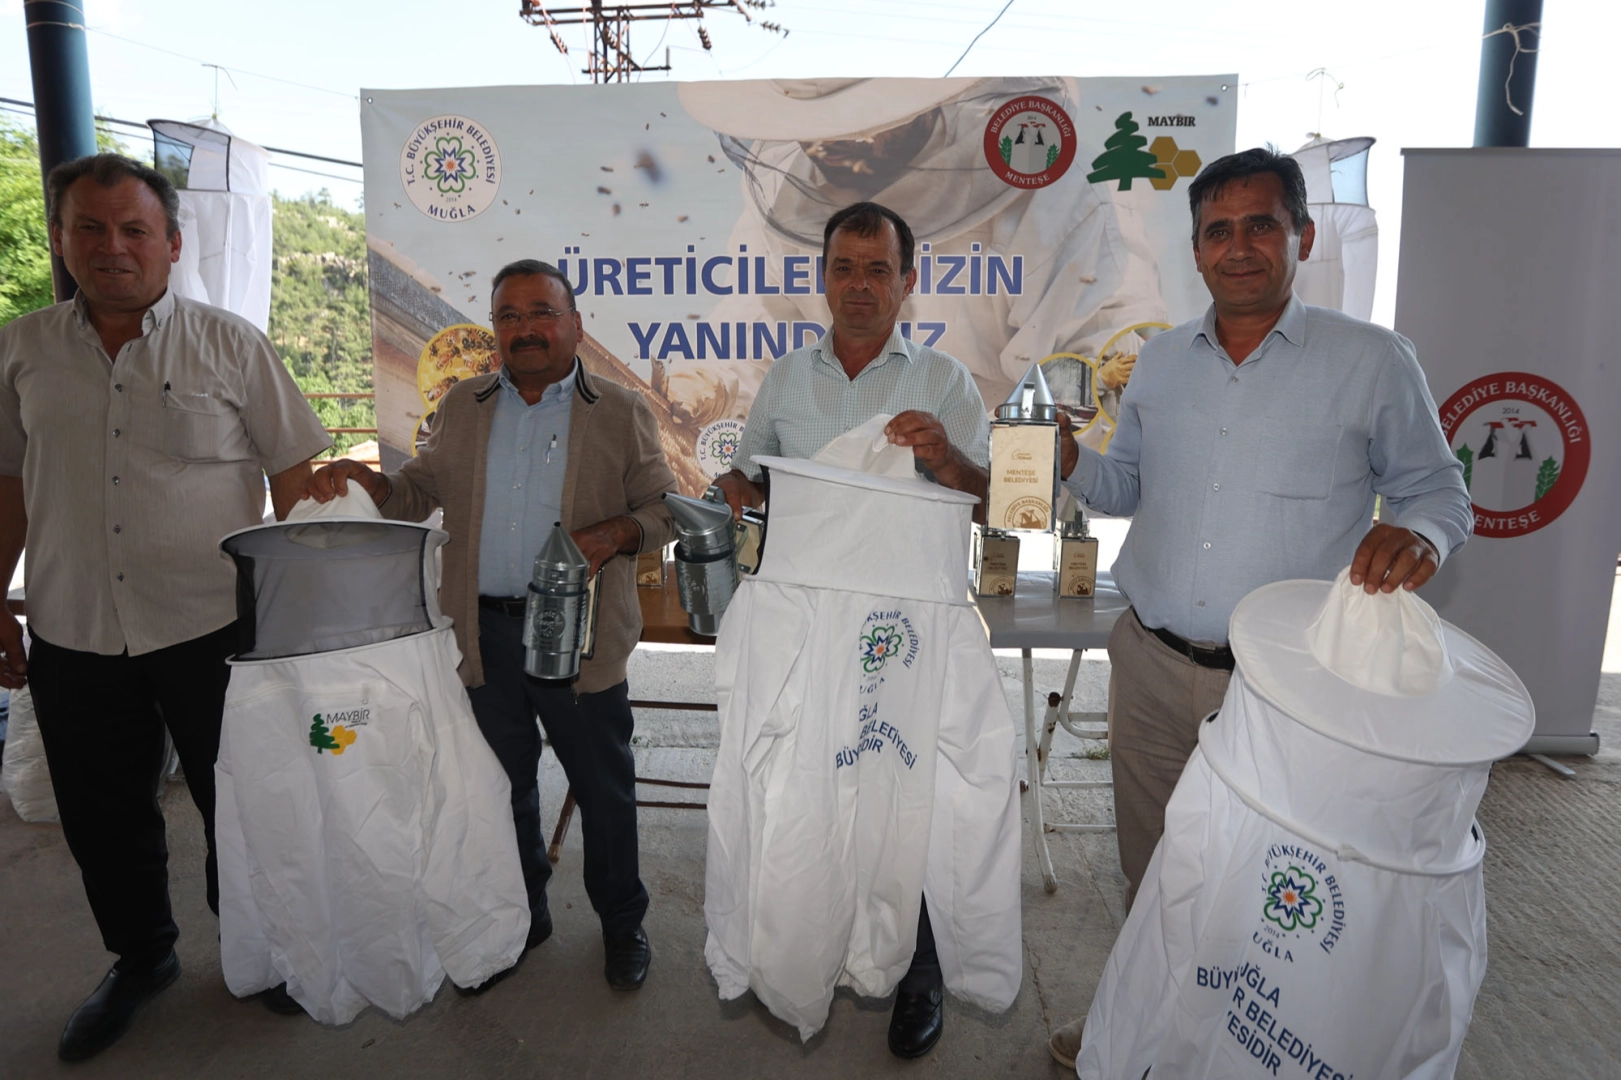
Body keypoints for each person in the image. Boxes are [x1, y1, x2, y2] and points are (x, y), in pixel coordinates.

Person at [1043, 147, 1473, 1069]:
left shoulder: (1372, 360)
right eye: (1217, 231)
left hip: (1285, 689)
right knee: (1154, 868)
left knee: (1268, 885)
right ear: (1196, 249)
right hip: (1151, 665)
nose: (1237, 247)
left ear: (1301, 237)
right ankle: (1139, 1027)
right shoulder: (1160, 362)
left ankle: (1241, 1048)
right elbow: (1124, 488)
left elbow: (1438, 489)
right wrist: (1068, 459)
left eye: (1260, 225)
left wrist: (1421, 536)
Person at [0, 154, 331, 1062]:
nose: (112, 247)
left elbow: (295, 482)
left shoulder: (232, 345)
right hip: (71, 628)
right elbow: (8, 484)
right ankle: (142, 959)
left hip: (213, 627)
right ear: (61, 239)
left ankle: (260, 953)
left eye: (134, 229)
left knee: (246, 805)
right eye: (90, 228)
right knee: (102, 815)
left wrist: (304, 620)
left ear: (173, 244)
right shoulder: (20, 349)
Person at [304, 258, 676, 994]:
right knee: (499, 786)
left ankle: (621, 923)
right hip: (483, 636)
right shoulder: (463, 404)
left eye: (541, 313)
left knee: (603, 789)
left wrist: (615, 533)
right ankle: (521, 914)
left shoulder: (620, 410)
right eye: (509, 316)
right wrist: (371, 484)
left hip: (579, 639)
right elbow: (416, 493)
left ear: (575, 325)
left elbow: (665, 511)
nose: (525, 328)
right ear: (494, 329)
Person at [711, 201, 990, 1060]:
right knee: (812, 790)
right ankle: (815, 942)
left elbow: (992, 501)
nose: (859, 285)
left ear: (908, 281)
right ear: (821, 277)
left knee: (911, 798)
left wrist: (944, 459)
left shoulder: (946, 382)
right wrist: (735, 491)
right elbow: (754, 481)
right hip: (809, 632)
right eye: (843, 268)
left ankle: (920, 975)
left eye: (878, 269)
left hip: (907, 636)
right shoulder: (786, 380)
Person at [672, 76, 1168, 449]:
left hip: (991, 495)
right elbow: (756, 340)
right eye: (816, 129)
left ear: (916, 103)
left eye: (857, 128)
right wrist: (712, 388)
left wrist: (974, 457)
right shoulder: (791, 199)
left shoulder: (1054, 200)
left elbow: (1100, 377)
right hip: (845, 489)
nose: (829, 148)